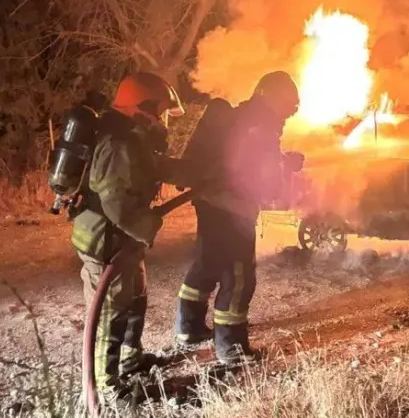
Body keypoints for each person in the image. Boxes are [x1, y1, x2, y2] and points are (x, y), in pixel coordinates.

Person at [173, 71, 304, 364]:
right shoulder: (262, 126)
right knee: (239, 275)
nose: (288, 114)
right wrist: (287, 166)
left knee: (207, 263)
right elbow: (263, 178)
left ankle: (189, 327)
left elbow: (242, 161)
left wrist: (281, 161)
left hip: (209, 202)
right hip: (233, 209)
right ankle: (231, 348)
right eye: (288, 106)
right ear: (272, 98)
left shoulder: (239, 118)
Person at [70, 71, 185, 399]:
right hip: (106, 243)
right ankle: (107, 388)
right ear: (142, 109)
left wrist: (197, 171)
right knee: (110, 313)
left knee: (135, 300)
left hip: (124, 241)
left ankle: (130, 362)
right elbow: (117, 205)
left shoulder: (133, 139)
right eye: (160, 112)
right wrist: (150, 224)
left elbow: (155, 167)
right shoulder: (118, 144)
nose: (163, 121)